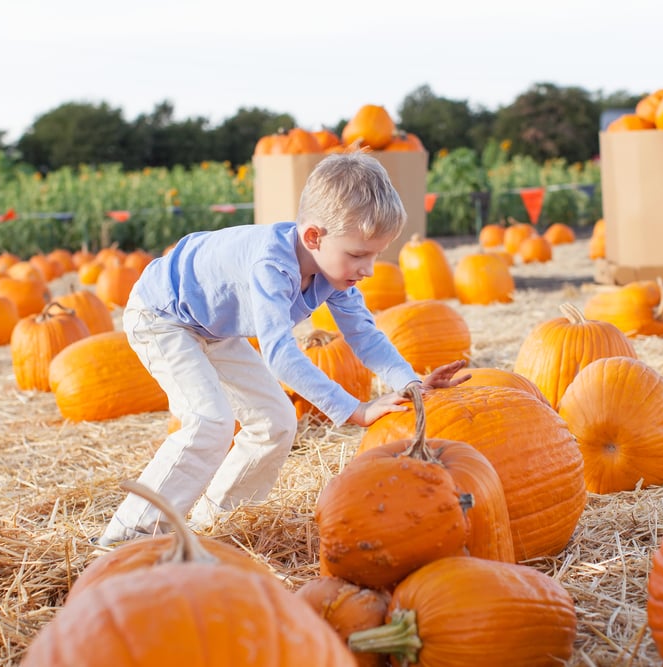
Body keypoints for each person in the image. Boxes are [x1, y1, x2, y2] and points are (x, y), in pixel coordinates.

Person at [98, 151, 470, 547]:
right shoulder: (271, 265)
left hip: (213, 327)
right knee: (209, 420)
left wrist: (410, 382)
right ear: (314, 237)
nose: (369, 269)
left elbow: (365, 335)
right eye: (359, 255)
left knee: (276, 421)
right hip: (162, 315)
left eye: (375, 255)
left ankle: (216, 523)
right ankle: (126, 537)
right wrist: (354, 410)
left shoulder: (333, 273)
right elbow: (280, 355)